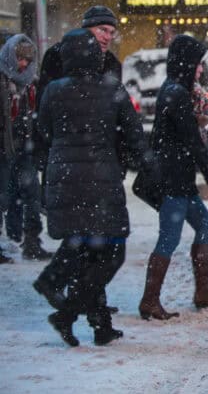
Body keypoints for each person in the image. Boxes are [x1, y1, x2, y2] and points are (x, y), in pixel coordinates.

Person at [37, 28, 153, 346]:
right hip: (100, 181)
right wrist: (148, 165)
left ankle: (90, 318)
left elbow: (42, 133)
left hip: (63, 179)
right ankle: (65, 307)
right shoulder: (110, 89)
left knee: (85, 248)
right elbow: (133, 135)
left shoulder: (54, 91)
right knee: (111, 252)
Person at [33, 5, 123, 309]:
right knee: (84, 234)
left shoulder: (111, 63)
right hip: (69, 159)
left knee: (94, 237)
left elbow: (117, 120)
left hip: (97, 162)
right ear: (87, 29)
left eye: (111, 32)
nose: (107, 37)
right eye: (102, 30)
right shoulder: (58, 57)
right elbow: (44, 118)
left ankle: (88, 299)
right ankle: (84, 300)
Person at [138, 35, 208, 321]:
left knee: (206, 228)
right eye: (198, 65)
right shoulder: (175, 93)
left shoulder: (175, 90)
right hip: (172, 181)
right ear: (187, 63)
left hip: (180, 180)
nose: (200, 70)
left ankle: (203, 292)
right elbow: (192, 143)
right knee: (169, 239)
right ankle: (149, 301)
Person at [0, 34, 50, 261]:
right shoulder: (2, 80)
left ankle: (32, 242)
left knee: (32, 195)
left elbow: (35, 115)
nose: (23, 64)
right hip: (3, 148)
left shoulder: (31, 82)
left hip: (25, 147)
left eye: (27, 60)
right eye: (20, 58)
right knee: (3, 197)